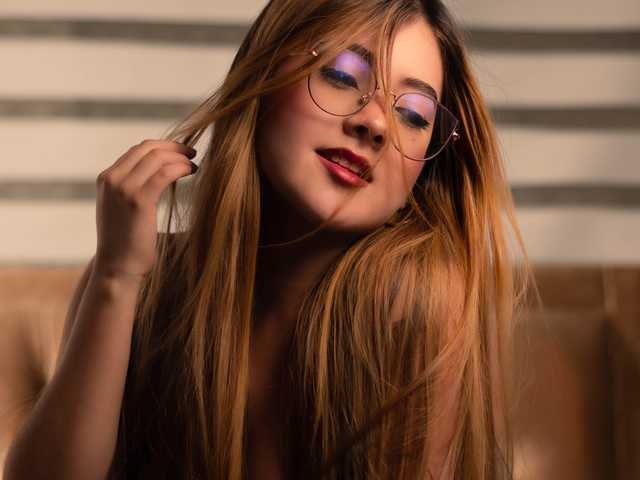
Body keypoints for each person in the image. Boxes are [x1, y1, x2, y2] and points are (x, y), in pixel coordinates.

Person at [4, 0, 541, 479]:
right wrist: (116, 276)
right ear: (263, 72)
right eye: (342, 75)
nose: (377, 123)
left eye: (413, 115)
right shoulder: (145, 277)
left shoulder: (414, 301)